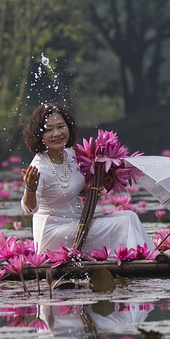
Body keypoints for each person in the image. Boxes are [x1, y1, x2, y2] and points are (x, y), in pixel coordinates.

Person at [21, 103, 154, 253]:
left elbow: (68, 187)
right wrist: (30, 188)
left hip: (79, 223)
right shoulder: (39, 168)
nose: (57, 133)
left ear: (68, 127)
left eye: (60, 126)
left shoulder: (70, 154)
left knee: (130, 216)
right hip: (53, 234)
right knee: (122, 224)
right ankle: (138, 262)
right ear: (39, 135)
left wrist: (86, 190)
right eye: (49, 129)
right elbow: (29, 208)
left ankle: (152, 256)